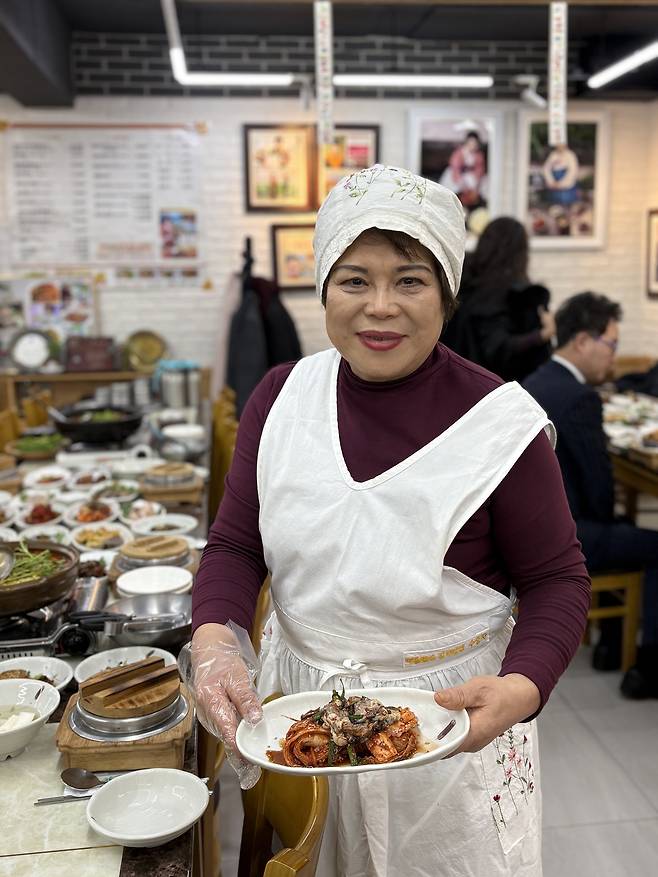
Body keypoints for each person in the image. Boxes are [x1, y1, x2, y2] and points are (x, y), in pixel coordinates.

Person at [189, 164, 589, 876]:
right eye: (354, 280)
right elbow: (236, 544)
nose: (380, 307)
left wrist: (522, 686)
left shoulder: (502, 426)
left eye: (410, 280)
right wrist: (216, 636)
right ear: (323, 288)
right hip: (302, 711)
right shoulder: (281, 398)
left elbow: (557, 579)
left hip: (448, 725)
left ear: (446, 293)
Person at [523, 292, 658, 697]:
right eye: (611, 345)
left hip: (533, 526)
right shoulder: (579, 397)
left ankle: (610, 647)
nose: (613, 357)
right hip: (568, 534)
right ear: (582, 341)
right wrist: (611, 524)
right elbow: (599, 488)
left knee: (624, 528)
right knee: (647, 542)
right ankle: (647, 667)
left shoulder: (535, 380)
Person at [442, 217, 556, 381]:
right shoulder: (515, 296)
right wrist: (543, 334)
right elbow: (498, 347)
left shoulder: (458, 283)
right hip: (495, 386)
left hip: (454, 377)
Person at [439, 130, 487, 211]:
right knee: (454, 191)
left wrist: (475, 180)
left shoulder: (478, 155)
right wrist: (460, 181)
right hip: (458, 176)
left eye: (475, 143)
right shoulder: (459, 152)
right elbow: (455, 168)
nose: (472, 145)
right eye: (470, 142)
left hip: (471, 177)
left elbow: (479, 169)